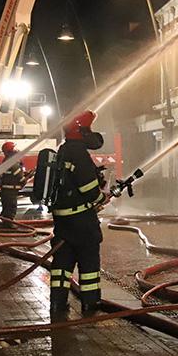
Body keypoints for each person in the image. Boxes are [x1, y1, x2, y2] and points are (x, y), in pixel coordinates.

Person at [49, 110, 106, 318]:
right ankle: (90, 303)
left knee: (62, 264)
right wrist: (101, 198)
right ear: (81, 131)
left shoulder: (63, 150)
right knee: (89, 261)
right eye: (88, 129)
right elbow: (89, 188)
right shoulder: (79, 153)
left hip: (62, 220)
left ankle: (57, 303)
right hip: (82, 220)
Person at [0, 141, 26, 223]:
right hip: (10, 190)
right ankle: (9, 224)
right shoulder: (12, 162)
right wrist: (25, 179)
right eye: (14, 149)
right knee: (11, 208)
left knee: (6, 207)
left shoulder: (7, 161)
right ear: (10, 151)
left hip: (6, 190)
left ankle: (5, 222)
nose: (17, 150)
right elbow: (19, 176)